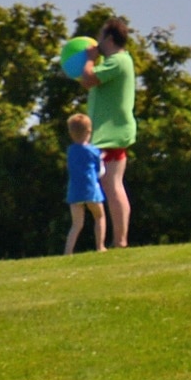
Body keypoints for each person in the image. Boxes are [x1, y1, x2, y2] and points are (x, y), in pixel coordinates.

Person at [75, 17, 140, 249]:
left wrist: (90, 59)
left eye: (100, 36)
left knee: (112, 185)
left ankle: (120, 240)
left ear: (109, 39)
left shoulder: (117, 61)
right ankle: (118, 239)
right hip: (110, 133)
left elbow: (88, 79)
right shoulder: (117, 61)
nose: (97, 41)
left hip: (112, 134)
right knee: (110, 184)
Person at [62, 110, 106, 255]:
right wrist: (102, 158)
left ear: (71, 133)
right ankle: (100, 246)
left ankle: (68, 251)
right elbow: (100, 171)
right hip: (91, 189)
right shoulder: (93, 151)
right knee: (99, 216)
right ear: (89, 131)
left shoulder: (70, 151)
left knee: (76, 224)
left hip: (74, 191)